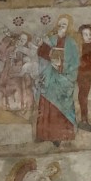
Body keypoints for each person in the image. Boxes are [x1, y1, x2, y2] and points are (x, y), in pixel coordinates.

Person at [34, 15, 79, 145]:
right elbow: (42, 54)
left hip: (63, 79)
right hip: (49, 77)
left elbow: (75, 63)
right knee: (46, 105)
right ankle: (43, 134)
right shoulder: (51, 39)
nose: (61, 27)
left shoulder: (71, 43)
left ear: (69, 27)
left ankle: (58, 136)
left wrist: (61, 66)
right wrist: (41, 47)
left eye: (64, 24)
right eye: (60, 24)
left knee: (60, 108)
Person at [0, 31, 34, 113]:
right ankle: (9, 106)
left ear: (27, 42)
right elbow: (2, 57)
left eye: (24, 40)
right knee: (6, 87)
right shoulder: (11, 49)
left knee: (22, 86)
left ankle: (23, 106)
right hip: (9, 72)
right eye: (20, 39)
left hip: (21, 74)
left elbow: (29, 61)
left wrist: (19, 60)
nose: (21, 41)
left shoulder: (26, 51)